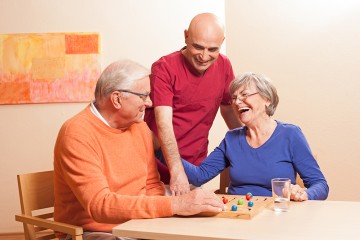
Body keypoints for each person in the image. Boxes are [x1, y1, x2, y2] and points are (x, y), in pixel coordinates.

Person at [53, 59, 225, 240]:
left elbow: (151, 185)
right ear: (117, 99)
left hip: (135, 225)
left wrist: (158, 223)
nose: (149, 103)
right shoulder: (77, 133)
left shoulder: (139, 127)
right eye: (143, 96)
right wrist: (175, 205)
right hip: (92, 231)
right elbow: (100, 205)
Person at [182, 72, 329, 201]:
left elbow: (320, 185)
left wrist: (304, 194)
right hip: (239, 216)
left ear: (267, 99)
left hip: (276, 216)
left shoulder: (290, 135)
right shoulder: (231, 139)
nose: (237, 102)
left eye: (244, 95)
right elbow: (199, 176)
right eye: (234, 97)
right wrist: (161, 149)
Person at [144, 12, 242, 195]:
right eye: (198, 47)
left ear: (222, 43)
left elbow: (229, 110)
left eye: (213, 49)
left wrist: (248, 145)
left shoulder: (224, 65)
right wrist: (177, 171)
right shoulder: (164, 67)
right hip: (155, 172)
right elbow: (163, 123)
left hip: (195, 172)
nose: (204, 57)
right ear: (186, 36)